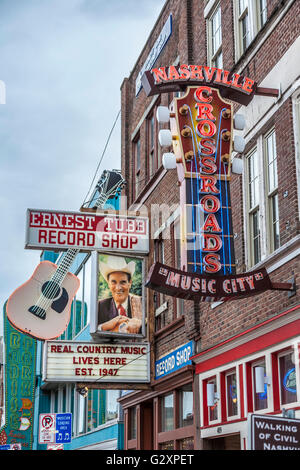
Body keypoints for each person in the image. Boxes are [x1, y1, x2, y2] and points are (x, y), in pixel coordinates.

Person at [97, 255, 142, 334]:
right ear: (108, 284)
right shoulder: (100, 306)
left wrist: (141, 322)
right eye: (113, 282)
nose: (118, 288)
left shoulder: (142, 302)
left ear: (130, 283)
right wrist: (104, 326)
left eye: (123, 282)